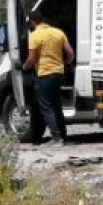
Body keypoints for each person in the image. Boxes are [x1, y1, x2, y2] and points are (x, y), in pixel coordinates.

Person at [22, 9, 74, 146]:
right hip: (58, 73)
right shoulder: (58, 33)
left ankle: (56, 138)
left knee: (46, 106)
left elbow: (32, 59)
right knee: (56, 105)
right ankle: (63, 136)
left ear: (33, 22)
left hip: (44, 74)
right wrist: (65, 63)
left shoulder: (34, 36)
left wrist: (24, 67)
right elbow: (70, 54)